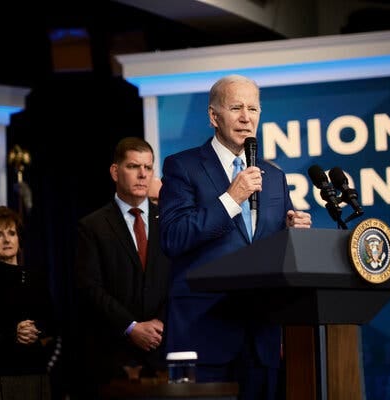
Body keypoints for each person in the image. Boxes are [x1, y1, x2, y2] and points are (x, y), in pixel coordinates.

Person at [158, 74, 312, 400]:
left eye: (253, 109)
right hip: (204, 331)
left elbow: (269, 250)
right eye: (236, 107)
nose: (246, 117)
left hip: (260, 337)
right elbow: (173, 237)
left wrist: (293, 234)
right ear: (214, 116)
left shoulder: (274, 177)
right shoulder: (182, 167)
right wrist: (230, 199)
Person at [73, 137, 170, 398]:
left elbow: (178, 279)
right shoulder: (92, 226)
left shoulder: (169, 221)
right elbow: (89, 287)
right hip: (113, 359)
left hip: (162, 355)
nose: (142, 175)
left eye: (148, 168)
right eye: (133, 166)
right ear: (115, 172)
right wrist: (131, 326)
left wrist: (160, 322)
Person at [0, 205, 62, 400]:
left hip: (35, 370)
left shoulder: (36, 277)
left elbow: (52, 323)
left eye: (12, 233)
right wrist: (12, 333)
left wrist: (36, 329)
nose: (7, 239)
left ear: (19, 239)